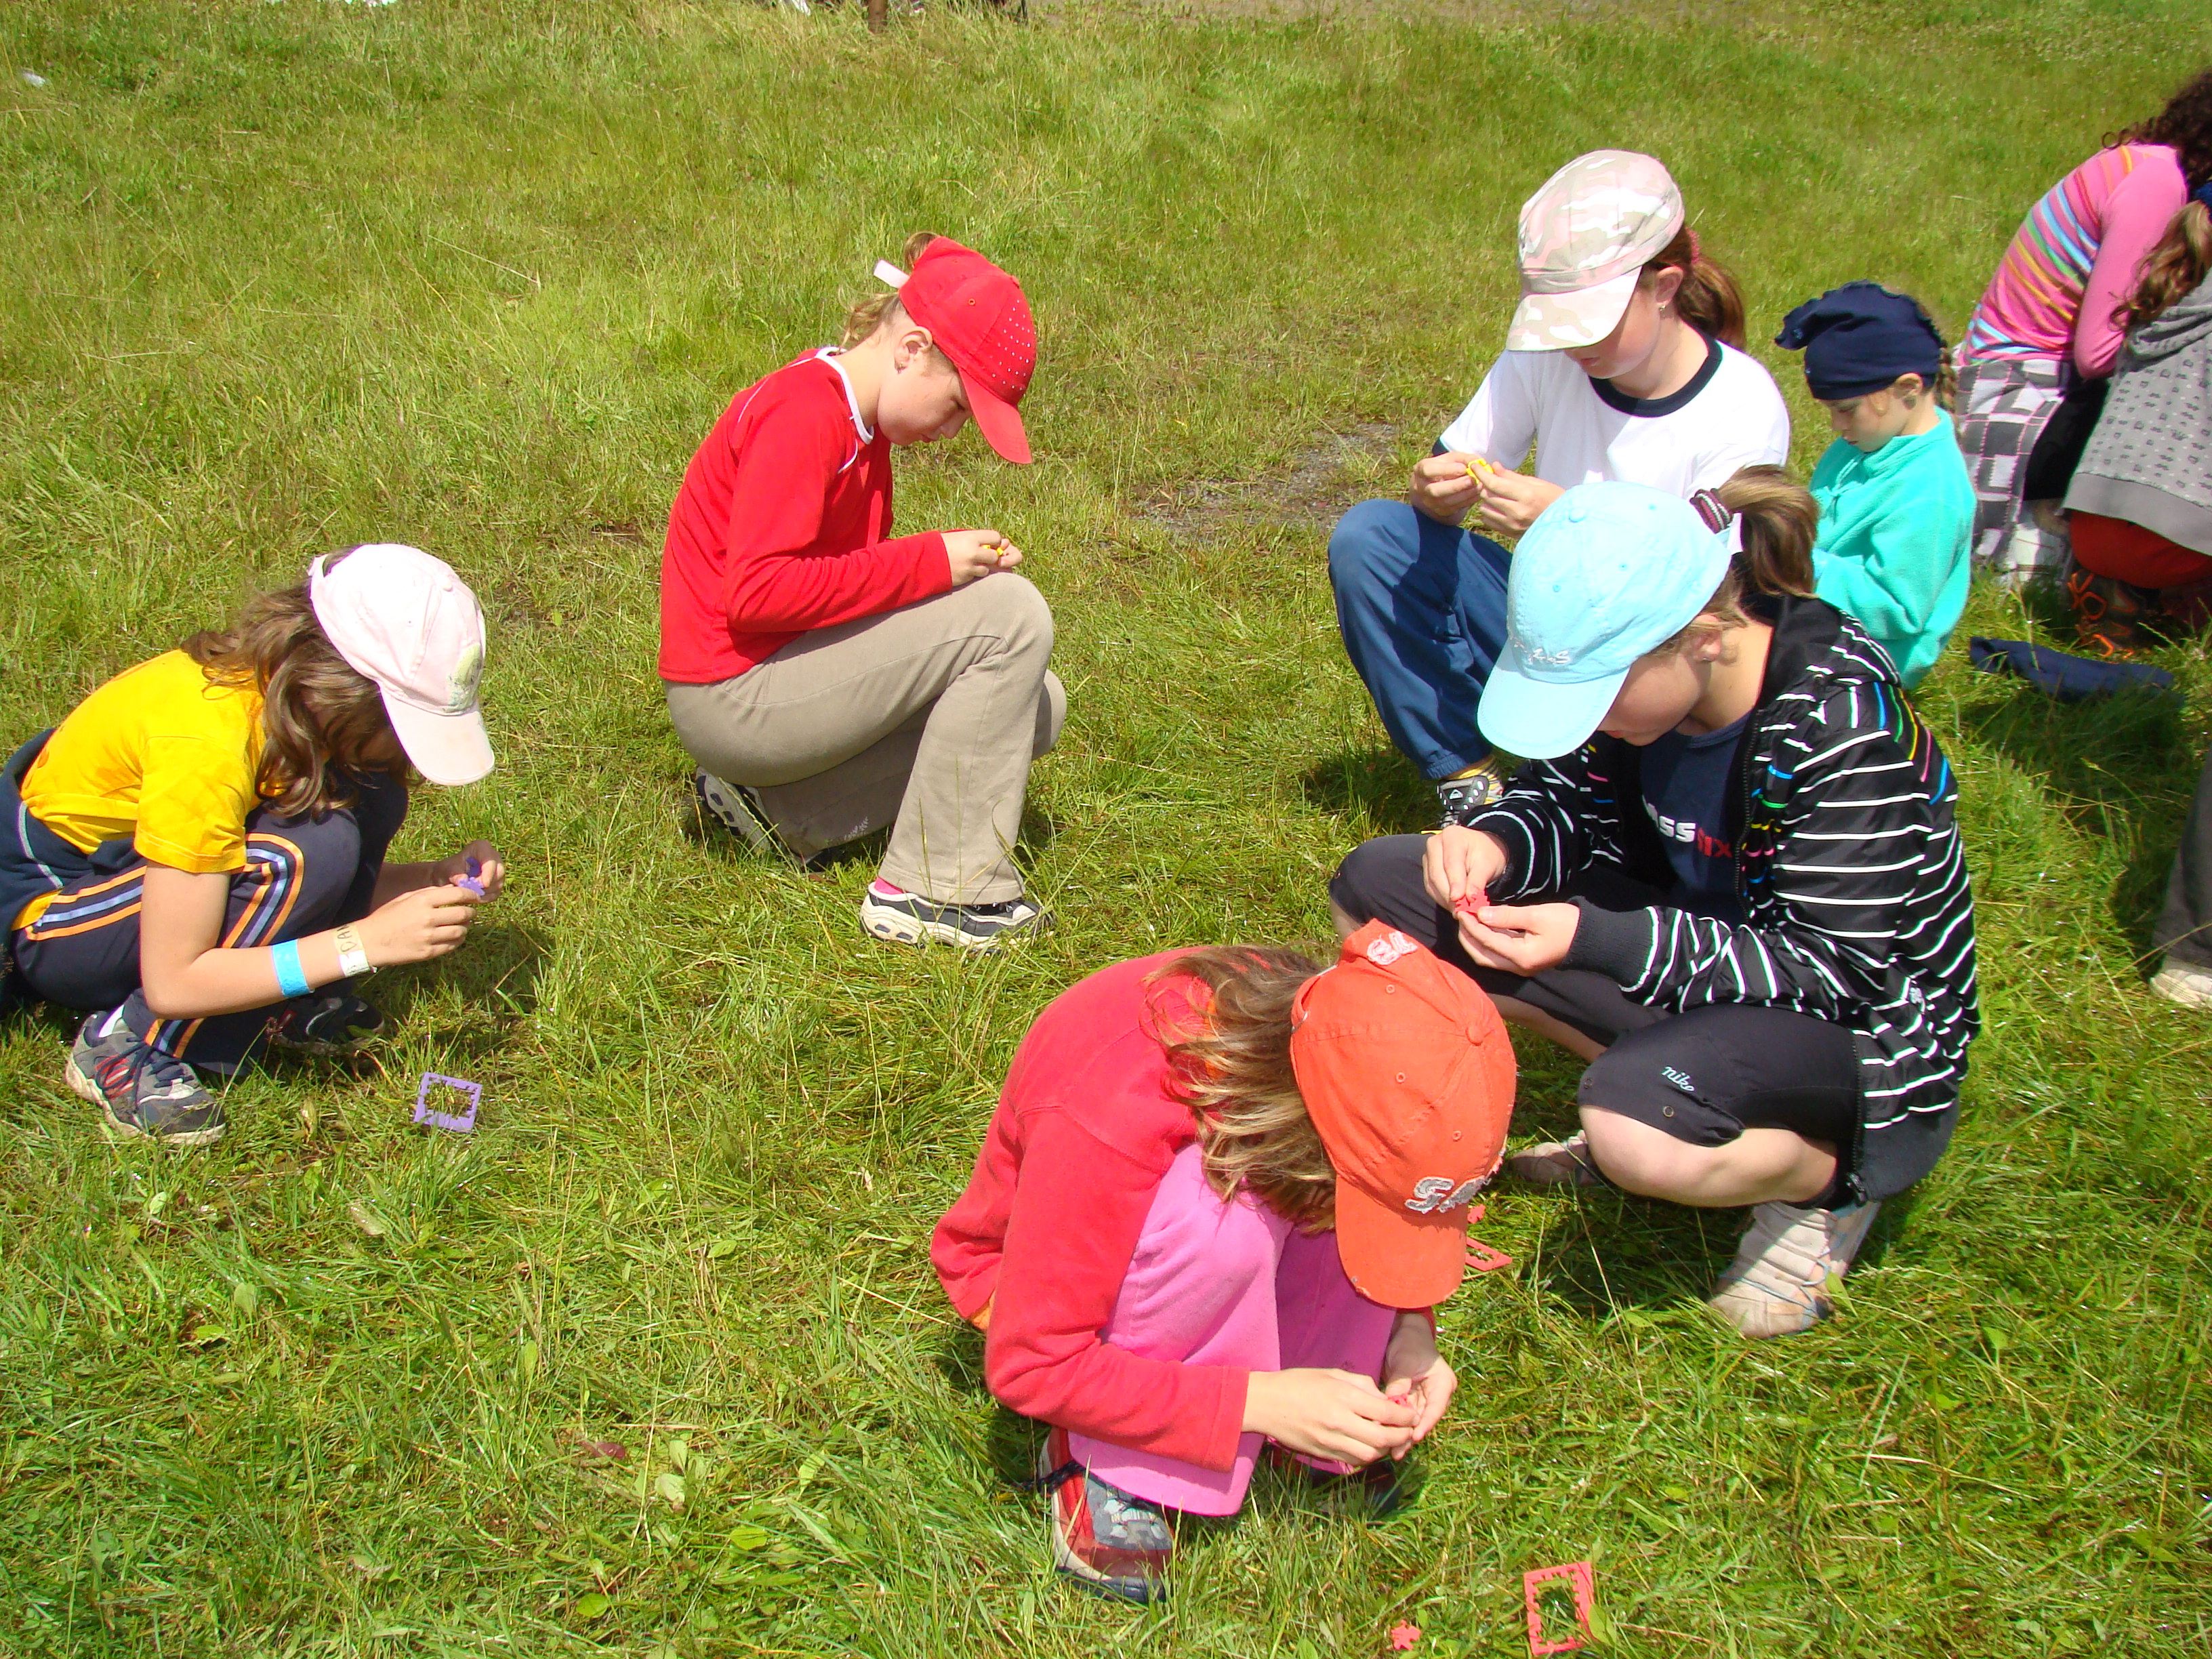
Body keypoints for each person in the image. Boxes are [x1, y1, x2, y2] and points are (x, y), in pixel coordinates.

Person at [1329, 473, 1979, 1340]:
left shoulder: (1842, 728)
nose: (1585, 720)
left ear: (1704, 638)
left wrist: (1598, 938)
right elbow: (1566, 798)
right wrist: (1500, 842)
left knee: (1635, 1133)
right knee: (1381, 893)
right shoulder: (1639, 705)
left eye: (1597, 694)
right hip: (1693, 957)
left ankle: (1823, 1186)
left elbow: (1835, 970)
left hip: (1854, 1029)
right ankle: (1633, 1088)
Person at [931, 923, 1514, 1604]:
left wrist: (1410, 1333)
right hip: (1053, 1282)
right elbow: (1032, 1364)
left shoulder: (1332, 1037)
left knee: (1327, 1207)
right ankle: (1112, 1464)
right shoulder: (1109, 1114)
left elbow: (1387, 1177)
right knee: (1217, 1223)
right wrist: (1256, 1403)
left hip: (1250, 1160)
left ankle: (1320, 1415)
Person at [1327, 149, 1789, 825]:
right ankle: (1468, 778)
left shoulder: (1742, 403)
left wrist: (1567, 517)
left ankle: (1624, 779)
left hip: (1660, 655)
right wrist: (1435, 493)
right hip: (1549, 625)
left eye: (1590, 321)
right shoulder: (1548, 360)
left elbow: (1713, 591)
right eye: (1556, 323)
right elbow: (1454, 462)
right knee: (1373, 538)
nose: (1572, 344)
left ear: (1664, 287)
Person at [0, 545, 504, 1147]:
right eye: (399, 725)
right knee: (298, 853)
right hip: (57, 921)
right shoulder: (205, 747)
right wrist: (360, 945)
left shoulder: (279, 703)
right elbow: (174, 979)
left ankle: (278, 1003)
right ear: (339, 690)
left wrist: (430, 878)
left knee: (365, 800)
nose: (403, 749)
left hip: (135, 885)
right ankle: (131, 1040)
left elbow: (326, 873)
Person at [659, 233, 1064, 953]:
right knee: (1011, 616)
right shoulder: (803, 412)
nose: (953, 431)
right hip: (732, 692)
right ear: (912, 349)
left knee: (1036, 703)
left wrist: (940, 585)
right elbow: (756, 594)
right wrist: (930, 565)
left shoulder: (859, 424)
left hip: (776, 675)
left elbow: (838, 585)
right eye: (959, 406)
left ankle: (781, 810)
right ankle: (938, 893)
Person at [1955, 68, 2211, 587]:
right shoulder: (2156, 187)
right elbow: (2099, 354)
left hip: (1998, 373)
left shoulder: (2145, 164)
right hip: (2021, 392)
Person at [1774, 283, 1975, 688]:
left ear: (1908, 389)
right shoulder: (1863, 442)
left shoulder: (1930, 491)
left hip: (1870, 657)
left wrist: (1804, 565)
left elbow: (1898, 609)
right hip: (1818, 613)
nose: (1837, 425)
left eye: (1846, 410)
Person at [2062, 186, 2212, 655]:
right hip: (2177, 538)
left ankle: (2123, 597)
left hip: (2090, 523)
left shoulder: (2159, 308)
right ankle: (2184, 600)